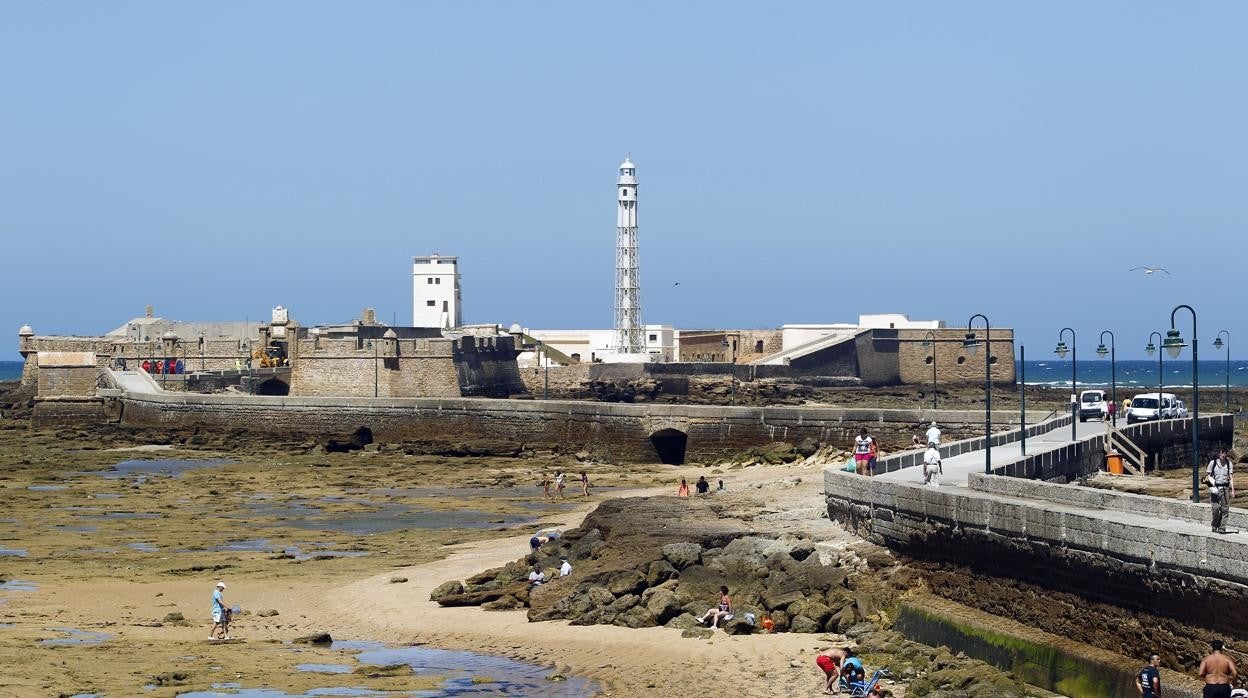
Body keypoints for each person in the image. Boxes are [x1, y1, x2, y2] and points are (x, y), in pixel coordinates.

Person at [1208, 448, 1235, 533]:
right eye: (1222, 453)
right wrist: (1211, 486)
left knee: (1225, 509)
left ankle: (1222, 528)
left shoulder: (1229, 464)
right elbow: (1208, 476)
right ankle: (1214, 525)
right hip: (1215, 489)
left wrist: (1233, 490)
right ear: (1219, 454)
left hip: (1225, 488)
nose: (1224, 455)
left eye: (1225, 453)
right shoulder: (1213, 463)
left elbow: (1231, 477)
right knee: (1215, 508)